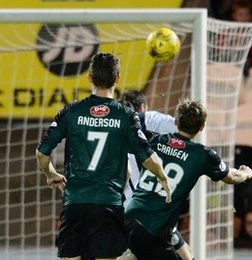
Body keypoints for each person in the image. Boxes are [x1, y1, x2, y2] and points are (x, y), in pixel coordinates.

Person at [35, 52, 171, 259]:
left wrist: (50, 174)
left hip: (74, 204)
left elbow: (42, 153)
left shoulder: (71, 111)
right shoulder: (125, 115)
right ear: (117, 79)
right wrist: (163, 178)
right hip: (108, 204)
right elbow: (147, 157)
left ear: (90, 77)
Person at [126, 99, 252, 259]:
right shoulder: (202, 155)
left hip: (130, 218)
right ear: (202, 127)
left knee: (185, 254)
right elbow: (232, 177)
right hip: (153, 229)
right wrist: (247, 173)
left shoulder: (154, 140)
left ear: (177, 121)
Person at [119, 90, 192, 260]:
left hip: (126, 207)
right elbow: (184, 129)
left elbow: (126, 173)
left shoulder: (117, 129)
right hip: (154, 204)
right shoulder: (154, 121)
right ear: (143, 106)